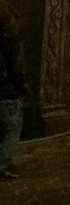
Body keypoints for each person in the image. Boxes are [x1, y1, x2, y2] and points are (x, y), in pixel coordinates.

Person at [0, 12, 27, 180]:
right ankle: (2, 164)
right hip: (6, 94)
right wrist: (23, 90)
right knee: (12, 131)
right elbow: (15, 71)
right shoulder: (11, 43)